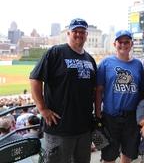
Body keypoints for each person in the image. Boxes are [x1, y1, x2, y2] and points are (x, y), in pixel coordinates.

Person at [29, 18, 97, 163]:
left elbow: (94, 89)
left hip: (84, 128)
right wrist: (42, 108)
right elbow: (35, 78)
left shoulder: (90, 59)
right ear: (68, 33)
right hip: (59, 127)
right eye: (75, 31)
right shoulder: (56, 52)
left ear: (86, 35)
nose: (79, 34)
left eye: (82, 32)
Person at [95, 30, 144, 163]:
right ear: (114, 44)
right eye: (120, 42)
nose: (123, 45)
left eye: (126, 42)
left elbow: (141, 91)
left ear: (131, 44)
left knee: (128, 153)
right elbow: (99, 90)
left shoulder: (138, 64)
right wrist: (98, 112)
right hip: (110, 116)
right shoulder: (106, 63)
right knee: (108, 155)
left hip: (131, 117)